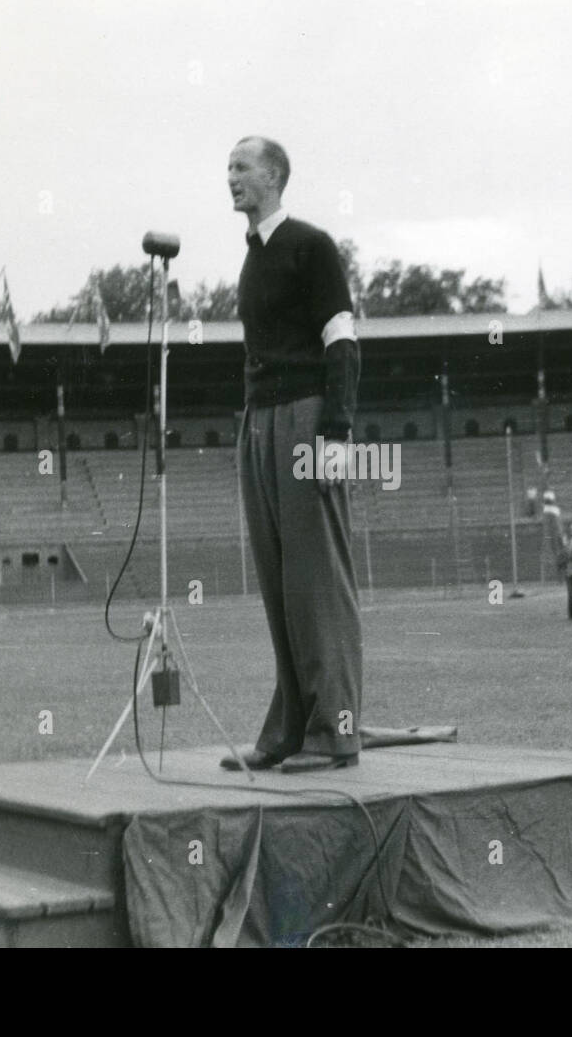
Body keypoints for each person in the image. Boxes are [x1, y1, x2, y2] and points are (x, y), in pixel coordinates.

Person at [221, 136, 362, 774]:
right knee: (278, 581)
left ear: (274, 175)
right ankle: (287, 731)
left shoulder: (311, 246)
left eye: (241, 167)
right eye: (228, 168)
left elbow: (342, 339)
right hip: (260, 421)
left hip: (308, 418)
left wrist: (335, 432)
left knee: (316, 581)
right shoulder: (252, 258)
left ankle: (336, 731)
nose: (231, 177)